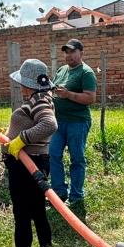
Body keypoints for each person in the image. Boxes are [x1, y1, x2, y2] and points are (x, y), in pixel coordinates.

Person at [0, 59, 58, 247]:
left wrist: (19, 140)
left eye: (23, 82)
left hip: (26, 167)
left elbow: (49, 125)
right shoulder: (42, 98)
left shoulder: (39, 100)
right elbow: (34, 124)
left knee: (22, 216)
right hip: (35, 163)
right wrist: (8, 135)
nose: (20, 86)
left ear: (31, 84)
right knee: (38, 213)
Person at [49, 39, 97, 205]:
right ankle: (59, 192)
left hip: (77, 122)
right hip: (58, 122)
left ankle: (76, 195)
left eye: (72, 51)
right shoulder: (62, 70)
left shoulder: (86, 72)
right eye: (66, 52)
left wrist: (68, 95)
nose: (68, 55)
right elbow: (53, 90)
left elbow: (90, 98)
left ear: (81, 53)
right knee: (53, 154)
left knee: (77, 158)